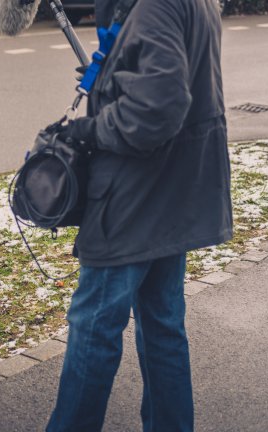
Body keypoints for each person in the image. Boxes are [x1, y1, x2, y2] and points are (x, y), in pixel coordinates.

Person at [46, 0, 232, 430]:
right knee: (163, 326)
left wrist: (88, 129)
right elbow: (164, 82)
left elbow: (157, 110)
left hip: (135, 199)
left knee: (94, 328)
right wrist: (111, 75)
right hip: (171, 193)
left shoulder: (154, 7)